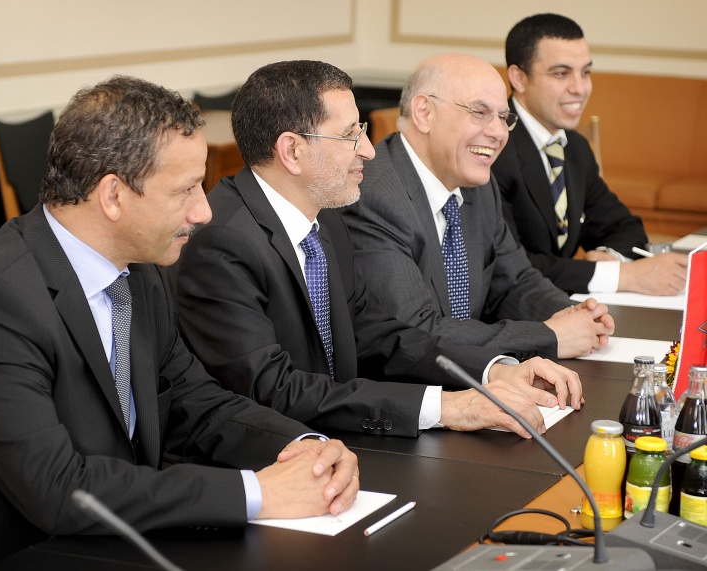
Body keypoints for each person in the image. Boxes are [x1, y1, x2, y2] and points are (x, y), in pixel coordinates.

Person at [0, 75, 359, 570]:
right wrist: (257, 493)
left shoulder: (139, 273)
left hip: (112, 542)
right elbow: (59, 491)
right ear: (114, 196)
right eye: (186, 190)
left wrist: (306, 449)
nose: (204, 211)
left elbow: (198, 405)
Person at [169, 60, 583, 444]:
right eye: (350, 135)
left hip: (343, 434)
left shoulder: (325, 215)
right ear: (292, 151)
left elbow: (376, 333)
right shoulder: (223, 242)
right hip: (277, 454)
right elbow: (274, 389)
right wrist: (447, 406)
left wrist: (494, 370)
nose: (368, 149)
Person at [342, 53, 613, 360]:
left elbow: (515, 282)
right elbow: (415, 332)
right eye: (480, 112)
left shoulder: (478, 184)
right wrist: (549, 337)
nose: (498, 132)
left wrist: (575, 315)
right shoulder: (376, 198)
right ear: (424, 112)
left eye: (503, 117)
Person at [491, 13, 689, 295]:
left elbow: (625, 226)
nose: (580, 88)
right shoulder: (492, 147)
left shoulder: (575, 147)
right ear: (519, 78)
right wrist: (622, 276)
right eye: (561, 73)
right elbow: (510, 266)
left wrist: (611, 256)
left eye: (585, 72)